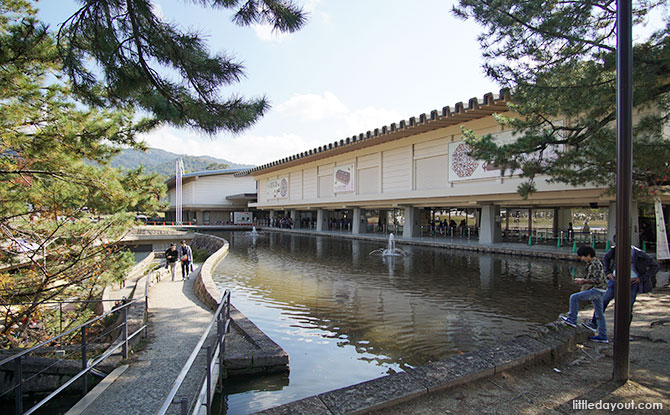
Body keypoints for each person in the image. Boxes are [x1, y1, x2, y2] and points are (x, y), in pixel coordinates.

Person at [584, 234, 660, 332]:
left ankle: (624, 332)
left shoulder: (638, 253)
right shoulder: (614, 251)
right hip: (615, 280)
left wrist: (641, 278)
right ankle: (594, 322)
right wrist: (608, 273)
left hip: (632, 282)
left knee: (628, 307)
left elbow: (655, 266)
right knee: (604, 300)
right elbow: (606, 259)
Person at [560, 246, 609, 343]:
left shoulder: (595, 264)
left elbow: (597, 280)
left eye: (583, 256)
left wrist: (583, 281)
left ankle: (572, 319)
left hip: (598, 290)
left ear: (588, 255)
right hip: (601, 289)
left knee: (574, 297)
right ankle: (603, 335)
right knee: (599, 313)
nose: (582, 259)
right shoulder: (594, 263)